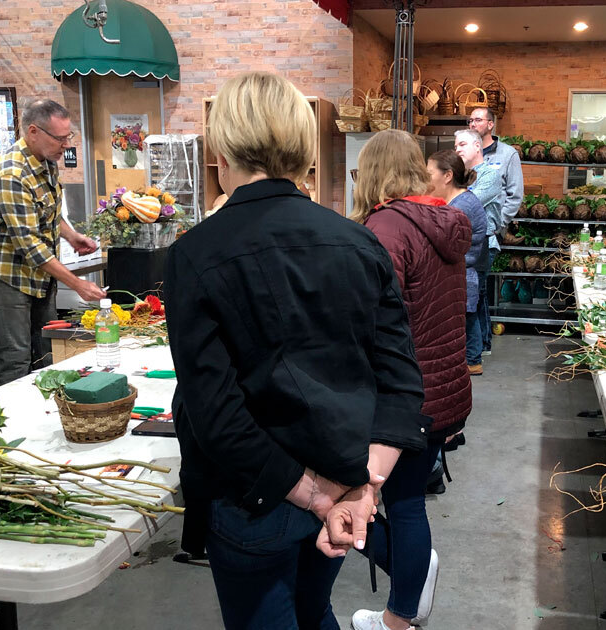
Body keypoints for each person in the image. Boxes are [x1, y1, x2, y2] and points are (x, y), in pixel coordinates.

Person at [163, 73, 429, 630]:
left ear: (220, 145)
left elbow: (215, 414)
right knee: (313, 608)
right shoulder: (359, 241)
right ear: (305, 144)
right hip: (341, 482)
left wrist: (318, 497)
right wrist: (360, 489)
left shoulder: (195, 254)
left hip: (255, 496)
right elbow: (401, 383)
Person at [348, 129, 472, 630]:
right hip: (445, 388)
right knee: (405, 503)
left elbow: (372, 319)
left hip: (406, 396)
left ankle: (400, 613)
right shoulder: (443, 220)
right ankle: (411, 582)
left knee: (392, 506)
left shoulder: (386, 228)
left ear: (373, 172)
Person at [0, 99, 104, 385]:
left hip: (38, 276)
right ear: (33, 131)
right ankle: (15, 425)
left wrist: (72, 236)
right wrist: (79, 284)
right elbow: (30, 247)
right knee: (17, 356)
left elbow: (47, 213)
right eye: (60, 138)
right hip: (7, 275)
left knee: (46, 349)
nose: (66, 145)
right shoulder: (13, 174)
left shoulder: (46, 162)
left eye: (68, 136)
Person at [427, 149, 487, 375]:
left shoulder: (461, 206)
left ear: (447, 176)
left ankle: (472, 361)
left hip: (464, 270)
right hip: (464, 270)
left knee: (468, 319)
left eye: (429, 173)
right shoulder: (459, 201)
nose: (427, 178)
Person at [469, 107, 523, 355]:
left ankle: (481, 345)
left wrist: (498, 223)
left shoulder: (508, 154)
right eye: (470, 120)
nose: (473, 124)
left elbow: (515, 195)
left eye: (478, 120)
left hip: (489, 233)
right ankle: (481, 343)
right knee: (477, 291)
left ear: (491, 124)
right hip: (467, 232)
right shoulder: (466, 155)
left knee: (478, 290)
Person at [455, 128, 501, 358]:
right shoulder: (462, 174)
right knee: (475, 296)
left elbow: (467, 203)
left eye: (462, 144)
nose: (457, 149)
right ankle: (478, 348)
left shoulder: (490, 174)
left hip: (483, 242)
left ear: (476, 146)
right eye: (455, 146)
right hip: (466, 242)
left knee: (477, 296)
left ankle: (480, 349)